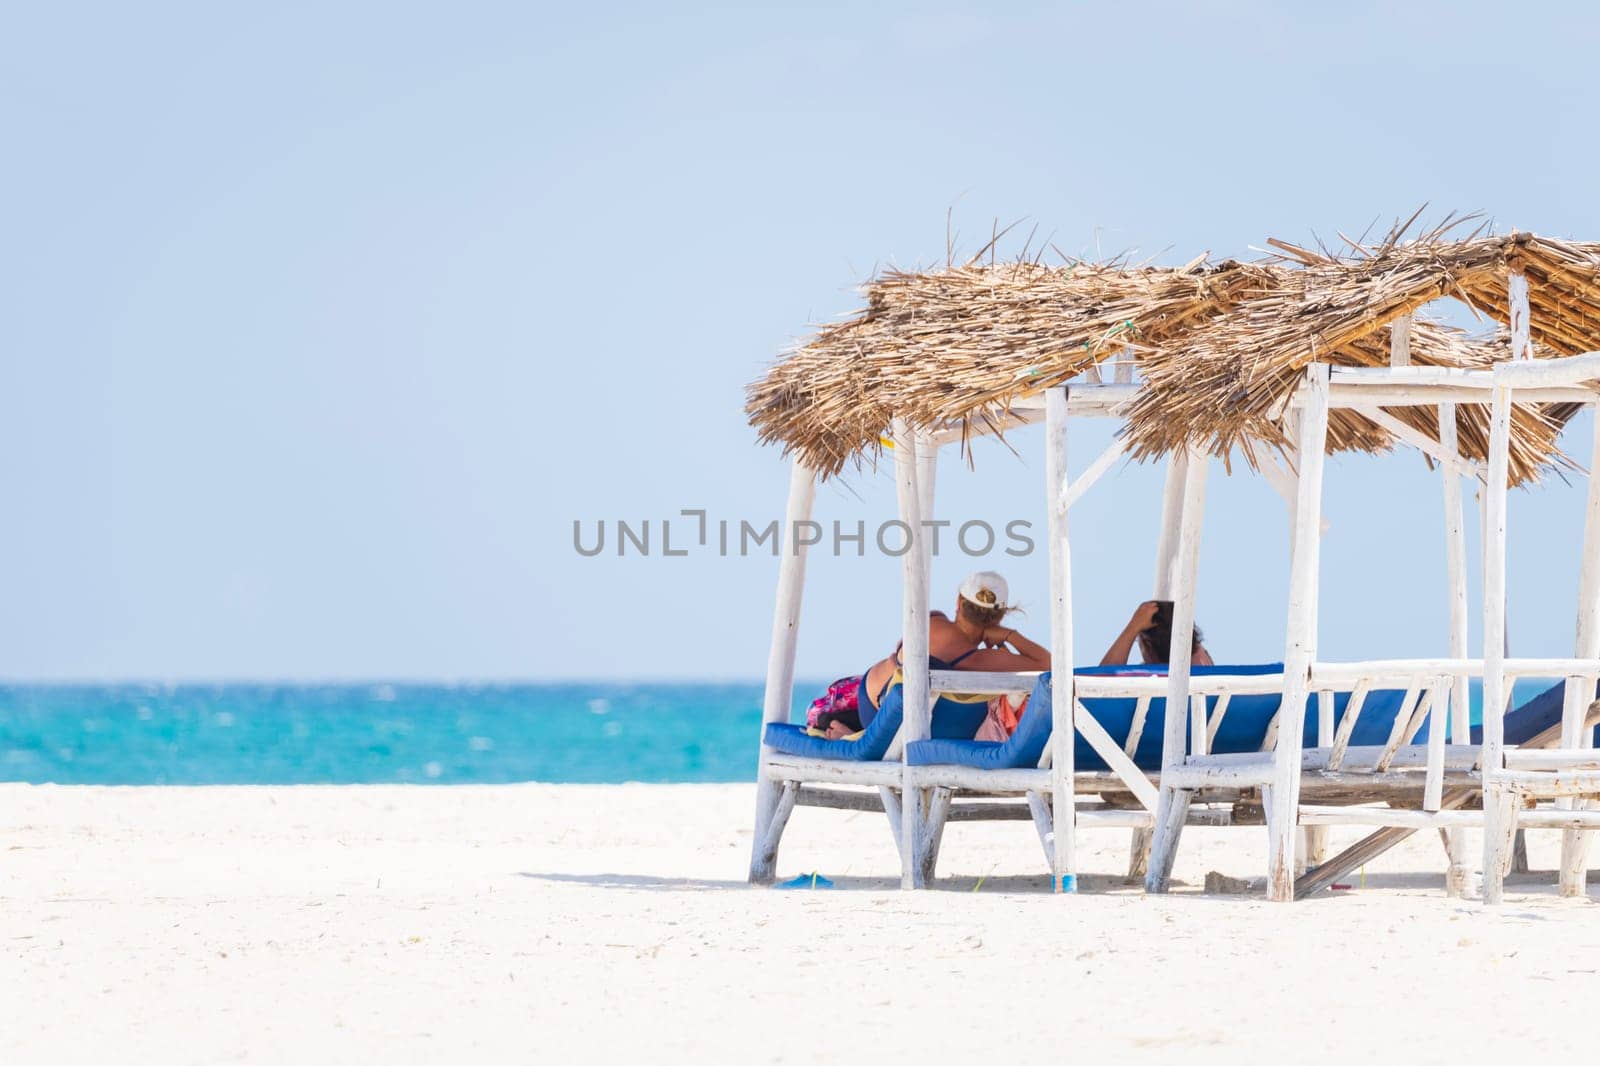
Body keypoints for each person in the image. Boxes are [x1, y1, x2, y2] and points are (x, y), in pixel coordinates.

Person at [833, 571, 1050, 740]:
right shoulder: (982, 661)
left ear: (958, 602)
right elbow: (1048, 664)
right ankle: (852, 737)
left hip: (874, 705)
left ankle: (854, 735)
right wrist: (1010, 635)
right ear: (1001, 614)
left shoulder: (932, 621)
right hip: (904, 723)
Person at [1100, 599, 1214, 667]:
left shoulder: (1153, 681)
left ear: (1148, 645)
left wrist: (1133, 628)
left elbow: (1102, 680)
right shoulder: (1201, 663)